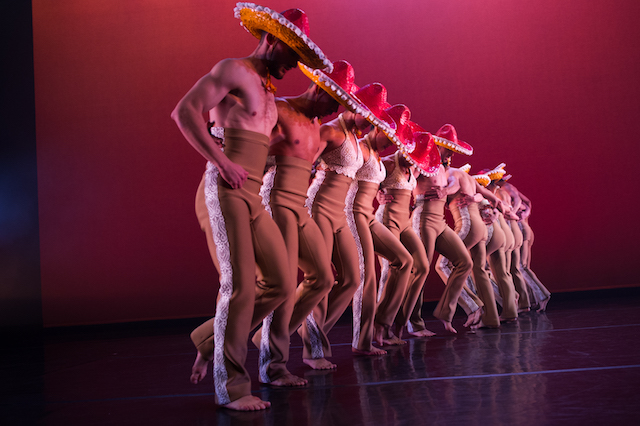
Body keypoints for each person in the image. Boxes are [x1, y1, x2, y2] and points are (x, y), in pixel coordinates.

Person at [171, 4, 331, 411]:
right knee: (239, 287)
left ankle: (209, 339)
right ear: (273, 40)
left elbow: (280, 145)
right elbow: (184, 111)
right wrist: (221, 160)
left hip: (254, 195)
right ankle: (233, 389)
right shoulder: (234, 69)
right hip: (225, 189)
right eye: (291, 55)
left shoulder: (270, 92)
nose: (294, 66)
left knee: (279, 283)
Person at [298, 84, 376, 369]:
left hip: (340, 212)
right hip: (318, 206)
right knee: (321, 278)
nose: (370, 124)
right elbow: (304, 158)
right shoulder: (331, 131)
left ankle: (309, 332)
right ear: (353, 108)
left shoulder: (357, 140)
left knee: (353, 279)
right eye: (366, 116)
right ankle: (312, 351)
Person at [346, 101, 418, 354]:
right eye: (388, 140)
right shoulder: (360, 148)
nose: (390, 146)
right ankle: (361, 342)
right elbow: (339, 173)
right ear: (377, 129)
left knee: (405, 261)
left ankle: (382, 324)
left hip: (369, 217)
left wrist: (378, 194)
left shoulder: (376, 155)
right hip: (353, 213)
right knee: (367, 277)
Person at [409, 125, 474, 334]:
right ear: (439, 145)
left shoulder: (445, 168)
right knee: (421, 270)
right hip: (423, 218)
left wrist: (446, 190)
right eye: (449, 148)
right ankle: (413, 322)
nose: (452, 153)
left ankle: (446, 314)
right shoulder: (422, 160)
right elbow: (405, 177)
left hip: (440, 222)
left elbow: (454, 183)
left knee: (465, 262)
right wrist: (389, 194)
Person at [434, 163, 506, 328]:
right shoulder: (467, 176)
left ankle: (473, 307)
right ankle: (490, 319)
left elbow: (454, 186)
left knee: (442, 265)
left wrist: (444, 192)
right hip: (481, 229)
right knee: (478, 271)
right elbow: (492, 198)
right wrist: (488, 205)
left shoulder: (450, 175)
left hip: (468, 226)